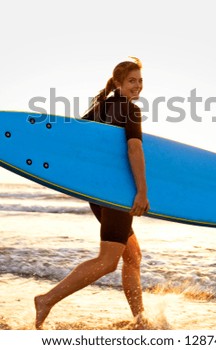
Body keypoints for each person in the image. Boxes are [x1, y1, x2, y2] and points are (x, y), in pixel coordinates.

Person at [34, 57, 150, 329]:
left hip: (98, 194)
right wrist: (142, 191)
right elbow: (135, 150)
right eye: (132, 80)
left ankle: (139, 318)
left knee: (132, 255)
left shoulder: (100, 108)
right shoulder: (130, 110)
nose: (138, 86)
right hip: (116, 194)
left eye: (140, 81)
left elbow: (77, 141)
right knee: (108, 261)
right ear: (119, 83)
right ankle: (46, 300)